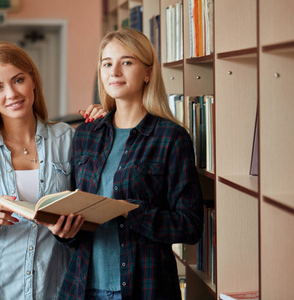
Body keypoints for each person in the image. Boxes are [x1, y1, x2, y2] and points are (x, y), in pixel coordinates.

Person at [43, 28, 204, 299]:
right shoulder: (86, 135)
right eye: (107, 63)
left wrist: (131, 211)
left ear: (148, 72)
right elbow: (75, 208)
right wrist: (64, 231)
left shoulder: (171, 138)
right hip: (82, 287)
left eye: (126, 62)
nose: (114, 71)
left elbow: (189, 226)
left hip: (145, 287)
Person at [0, 41, 104, 300]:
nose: (11, 94)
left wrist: (107, 126)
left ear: (33, 80)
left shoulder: (68, 139)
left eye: (18, 80)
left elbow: (96, 203)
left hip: (54, 287)